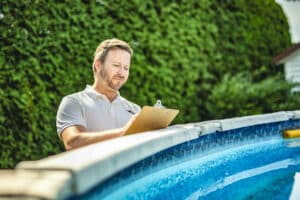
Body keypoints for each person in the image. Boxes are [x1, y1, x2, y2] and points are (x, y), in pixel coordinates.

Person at [56, 38, 141, 150]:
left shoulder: (135, 110)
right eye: (116, 65)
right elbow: (73, 142)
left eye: (126, 68)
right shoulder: (74, 102)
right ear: (98, 65)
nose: (121, 73)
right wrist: (123, 132)